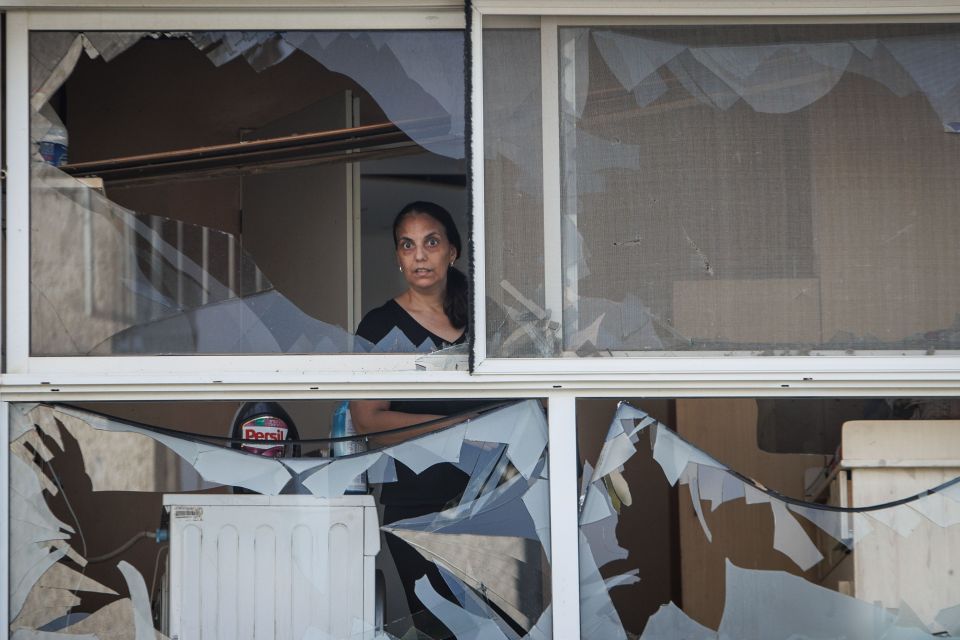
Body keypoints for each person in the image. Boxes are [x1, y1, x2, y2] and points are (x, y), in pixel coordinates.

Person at [350, 201, 487, 637]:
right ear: (398, 257)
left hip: (494, 498)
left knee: (503, 626)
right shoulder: (379, 327)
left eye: (431, 242)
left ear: (453, 252)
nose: (420, 255)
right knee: (440, 627)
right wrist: (453, 426)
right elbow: (368, 420)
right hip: (416, 505)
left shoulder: (488, 321)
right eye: (407, 246)